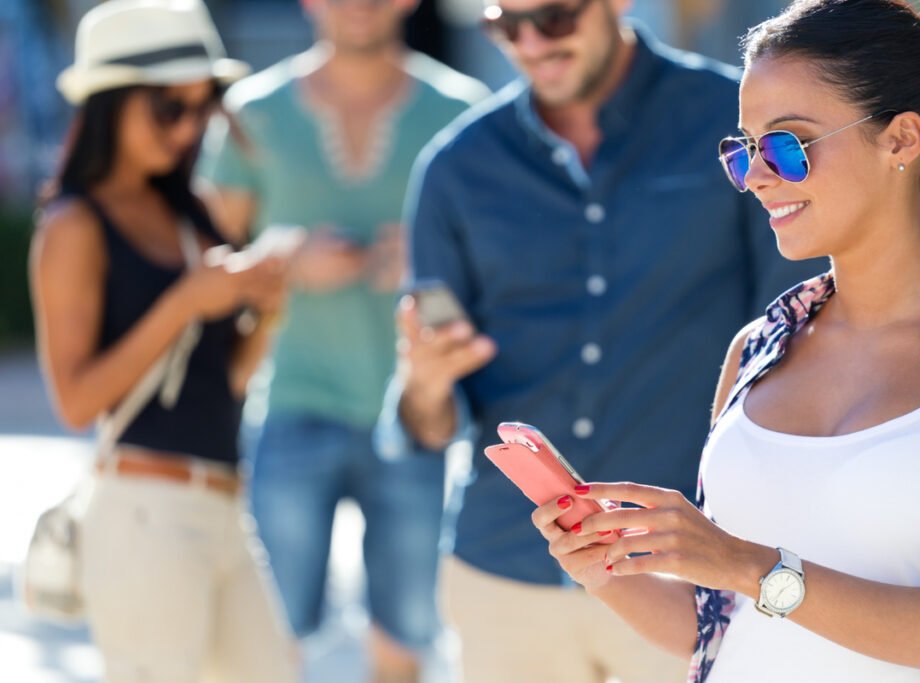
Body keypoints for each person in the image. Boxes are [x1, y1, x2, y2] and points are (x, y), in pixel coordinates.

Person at [531, 1, 920, 681]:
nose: (758, 176)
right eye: (743, 148)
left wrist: (739, 559)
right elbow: (716, 630)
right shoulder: (757, 351)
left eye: (788, 144)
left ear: (901, 140)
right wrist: (601, 568)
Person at [375, 0, 826, 680]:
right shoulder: (455, 168)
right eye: (505, 25)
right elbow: (422, 424)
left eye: (555, 17)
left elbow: (801, 331)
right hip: (507, 577)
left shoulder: (730, 125)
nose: (531, 43)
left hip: (687, 572)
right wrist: (426, 381)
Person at [198, 1, 488, 680]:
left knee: (404, 641)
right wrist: (286, 260)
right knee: (269, 636)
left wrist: (425, 265)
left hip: (415, 415)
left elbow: (494, 270)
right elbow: (205, 268)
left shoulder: (461, 109)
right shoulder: (253, 110)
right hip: (290, 405)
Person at [29, 1, 299, 682]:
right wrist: (186, 301)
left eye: (201, 107)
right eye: (167, 109)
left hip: (225, 506)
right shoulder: (73, 225)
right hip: (143, 514)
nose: (187, 129)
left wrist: (265, 309)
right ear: (108, 104)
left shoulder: (193, 212)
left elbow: (224, 380)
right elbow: (75, 400)